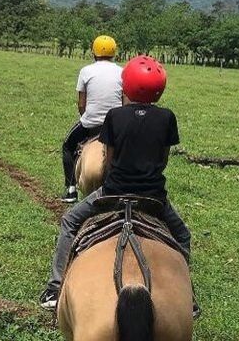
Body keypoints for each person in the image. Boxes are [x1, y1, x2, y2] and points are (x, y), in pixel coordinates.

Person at [40, 55, 198, 317]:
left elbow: (109, 160)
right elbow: (163, 160)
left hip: (113, 192)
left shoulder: (114, 116)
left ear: (125, 87)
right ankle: (189, 297)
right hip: (153, 198)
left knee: (69, 222)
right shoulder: (167, 117)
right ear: (160, 91)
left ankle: (55, 288)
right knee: (182, 235)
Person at [60, 35, 123, 203]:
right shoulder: (122, 71)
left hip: (91, 124)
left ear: (93, 52)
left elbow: (81, 104)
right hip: (116, 125)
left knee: (67, 145)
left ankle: (71, 189)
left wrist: (87, 117)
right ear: (113, 53)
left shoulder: (86, 71)